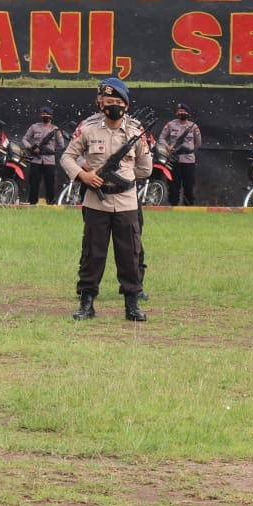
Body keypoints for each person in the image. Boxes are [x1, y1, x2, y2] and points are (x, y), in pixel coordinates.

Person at [61, 78, 153, 323]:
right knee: (93, 253)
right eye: (108, 101)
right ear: (101, 104)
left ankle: (132, 304)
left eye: (117, 102)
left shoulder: (135, 132)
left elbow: (145, 169)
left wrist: (123, 176)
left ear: (126, 104)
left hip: (126, 202)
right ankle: (86, 303)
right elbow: (67, 157)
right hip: (96, 202)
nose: (112, 105)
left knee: (129, 254)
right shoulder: (88, 129)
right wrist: (84, 175)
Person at [158, 103, 201, 205]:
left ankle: (188, 206)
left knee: (189, 185)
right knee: (173, 186)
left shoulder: (193, 127)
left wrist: (189, 151)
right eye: (180, 111)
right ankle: (173, 206)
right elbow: (161, 138)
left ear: (189, 114)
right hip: (173, 160)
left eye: (184, 111)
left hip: (189, 160)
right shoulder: (170, 125)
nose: (182, 113)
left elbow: (198, 143)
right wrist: (167, 147)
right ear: (177, 112)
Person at [22, 106, 65, 205]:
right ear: (40, 115)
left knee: (50, 183)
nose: (45, 116)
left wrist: (51, 151)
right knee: (34, 183)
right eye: (43, 114)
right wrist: (31, 147)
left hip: (49, 160)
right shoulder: (34, 127)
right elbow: (24, 139)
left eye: (47, 114)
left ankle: (50, 203)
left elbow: (61, 145)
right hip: (36, 159)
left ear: (51, 116)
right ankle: (32, 203)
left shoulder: (55, 130)